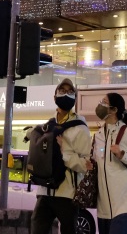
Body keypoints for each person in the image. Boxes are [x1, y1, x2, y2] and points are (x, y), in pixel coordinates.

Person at [31, 79, 90, 234]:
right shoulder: (47, 125)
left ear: (75, 98)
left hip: (68, 194)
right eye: (62, 91)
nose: (66, 94)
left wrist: (65, 151)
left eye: (70, 92)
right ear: (55, 96)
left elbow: (86, 165)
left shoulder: (80, 127)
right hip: (44, 191)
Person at [86, 92, 127, 234]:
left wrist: (123, 155)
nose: (99, 105)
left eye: (104, 102)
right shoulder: (98, 135)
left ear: (114, 110)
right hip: (104, 209)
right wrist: (90, 166)